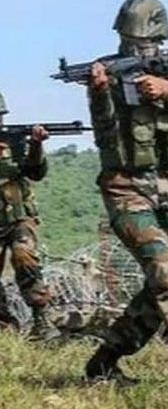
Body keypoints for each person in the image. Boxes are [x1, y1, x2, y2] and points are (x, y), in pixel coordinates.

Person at [83, 0, 168, 390]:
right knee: (162, 271)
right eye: (126, 39)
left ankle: (104, 361)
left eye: (139, 41)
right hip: (123, 185)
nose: (132, 47)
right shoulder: (105, 70)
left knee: (162, 282)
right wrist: (99, 92)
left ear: (158, 36)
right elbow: (104, 131)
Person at [0, 91, 60, 341]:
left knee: (24, 257)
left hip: (18, 217)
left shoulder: (13, 141)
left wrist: (36, 145)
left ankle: (41, 319)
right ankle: (5, 325)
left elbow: (36, 172)